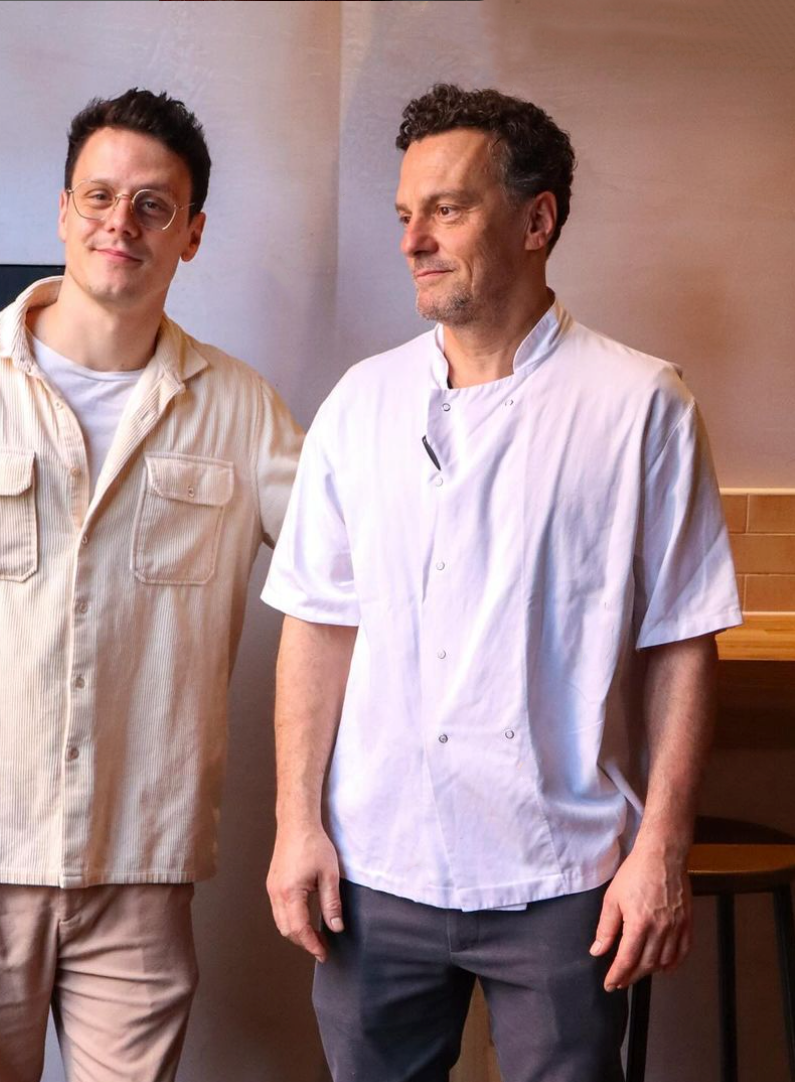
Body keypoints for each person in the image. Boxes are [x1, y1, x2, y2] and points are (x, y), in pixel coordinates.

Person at [0, 87, 302, 1082]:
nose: (121, 223)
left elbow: (345, 566)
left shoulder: (241, 408)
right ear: (63, 210)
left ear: (192, 233)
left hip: (141, 848)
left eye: (153, 205)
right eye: (98, 196)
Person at [262, 83, 741, 1082]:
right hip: (372, 865)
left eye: (446, 207)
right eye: (404, 214)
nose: (412, 240)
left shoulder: (638, 405)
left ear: (536, 219)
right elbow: (317, 622)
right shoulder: (359, 403)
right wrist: (294, 823)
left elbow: (680, 642)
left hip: (558, 873)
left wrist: (659, 848)